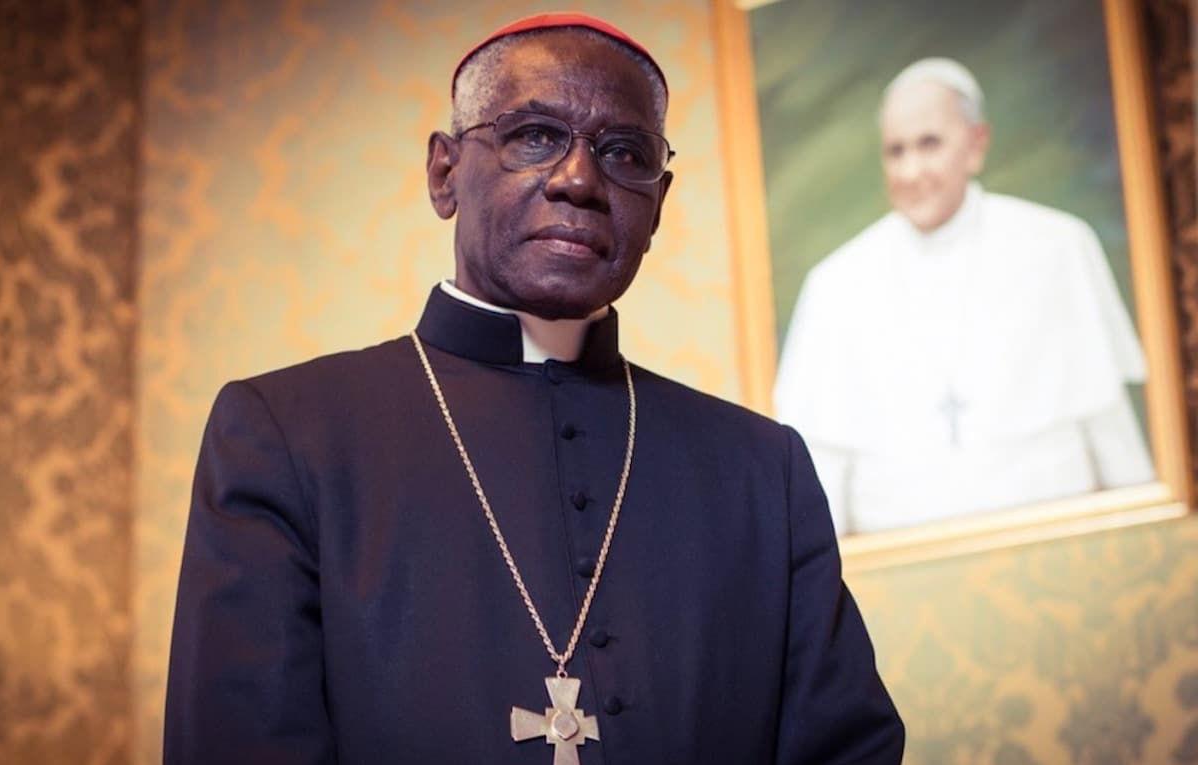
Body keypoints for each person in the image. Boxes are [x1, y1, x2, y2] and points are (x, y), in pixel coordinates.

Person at [162, 12, 903, 765]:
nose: (579, 180)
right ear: (444, 174)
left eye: (624, 153)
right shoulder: (287, 434)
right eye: (535, 136)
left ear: (658, 205)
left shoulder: (762, 469)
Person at [773, 57, 1154, 537]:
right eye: (895, 151)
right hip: (904, 565)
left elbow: (1108, 425)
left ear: (976, 145)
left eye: (929, 144)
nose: (911, 170)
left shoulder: (1057, 247)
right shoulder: (834, 286)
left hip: (1056, 549)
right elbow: (824, 474)